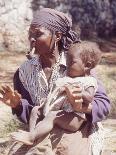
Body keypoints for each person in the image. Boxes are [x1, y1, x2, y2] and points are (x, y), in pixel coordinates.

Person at [0, 8, 111, 155]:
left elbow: (103, 105)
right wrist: (18, 105)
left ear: (57, 36)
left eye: (38, 33)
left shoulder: (78, 65)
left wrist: (81, 105)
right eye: (30, 33)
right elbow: (32, 114)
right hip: (41, 129)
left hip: (75, 128)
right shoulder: (24, 72)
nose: (32, 38)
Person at [11, 41, 101, 146]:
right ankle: (32, 134)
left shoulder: (88, 81)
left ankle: (32, 137)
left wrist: (78, 91)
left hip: (75, 118)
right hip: (58, 111)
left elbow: (90, 98)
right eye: (66, 63)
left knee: (52, 116)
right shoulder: (67, 78)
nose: (67, 66)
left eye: (71, 63)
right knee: (35, 110)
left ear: (87, 66)